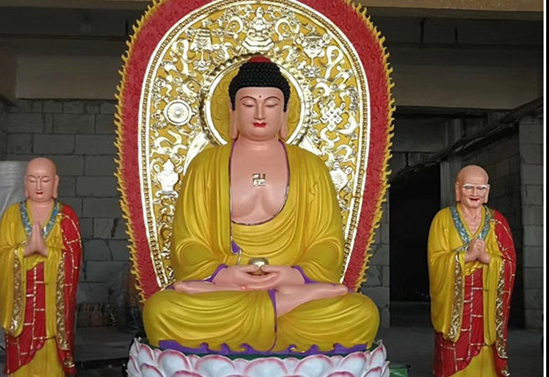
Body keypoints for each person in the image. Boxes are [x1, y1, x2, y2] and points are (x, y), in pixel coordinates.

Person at [143, 56, 379, 352]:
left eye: (270, 104)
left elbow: (328, 244)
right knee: (162, 311)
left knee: (361, 313)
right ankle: (277, 309)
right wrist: (222, 274)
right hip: (227, 288)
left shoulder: (311, 167)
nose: (259, 113)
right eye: (247, 104)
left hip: (291, 284)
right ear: (232, 110)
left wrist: (294, 274)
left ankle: (275, 309)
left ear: (285, 112)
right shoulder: (205, 165)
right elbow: (187, 243)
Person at [425, 165, 516, 377]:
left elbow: (509, 262)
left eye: (480, 188)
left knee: (486, 344)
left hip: (486, 295)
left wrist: (487, 259)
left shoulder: (497, 221)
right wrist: (464, 257)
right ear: (457, 189)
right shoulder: (443, 219)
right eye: (468, 187)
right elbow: (435, 260)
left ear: (487, 191)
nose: (474, 193)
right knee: (455, 342)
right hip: (456, 297)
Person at [0, 157, 82, 377]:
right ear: (25, 183)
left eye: (45, 179)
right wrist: (23, 251)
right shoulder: (12, 215)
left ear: (56, 183)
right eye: (33, 180)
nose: (39, 185)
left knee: (50, 339)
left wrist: (46, 251)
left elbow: (74, 257)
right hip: (22, 296)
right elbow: (0, 255)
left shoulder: (66, 215)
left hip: (52, 295)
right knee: (21, 337)